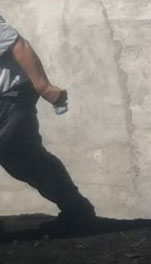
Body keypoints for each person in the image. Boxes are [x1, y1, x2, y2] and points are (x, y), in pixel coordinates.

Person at [0, 12, 95, 228]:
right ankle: (77, 209)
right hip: (10, 100)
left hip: (8, 98)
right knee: (25, 160)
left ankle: (78, 210)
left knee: (26, 159)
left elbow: (19, 46)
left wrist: (42, 85)